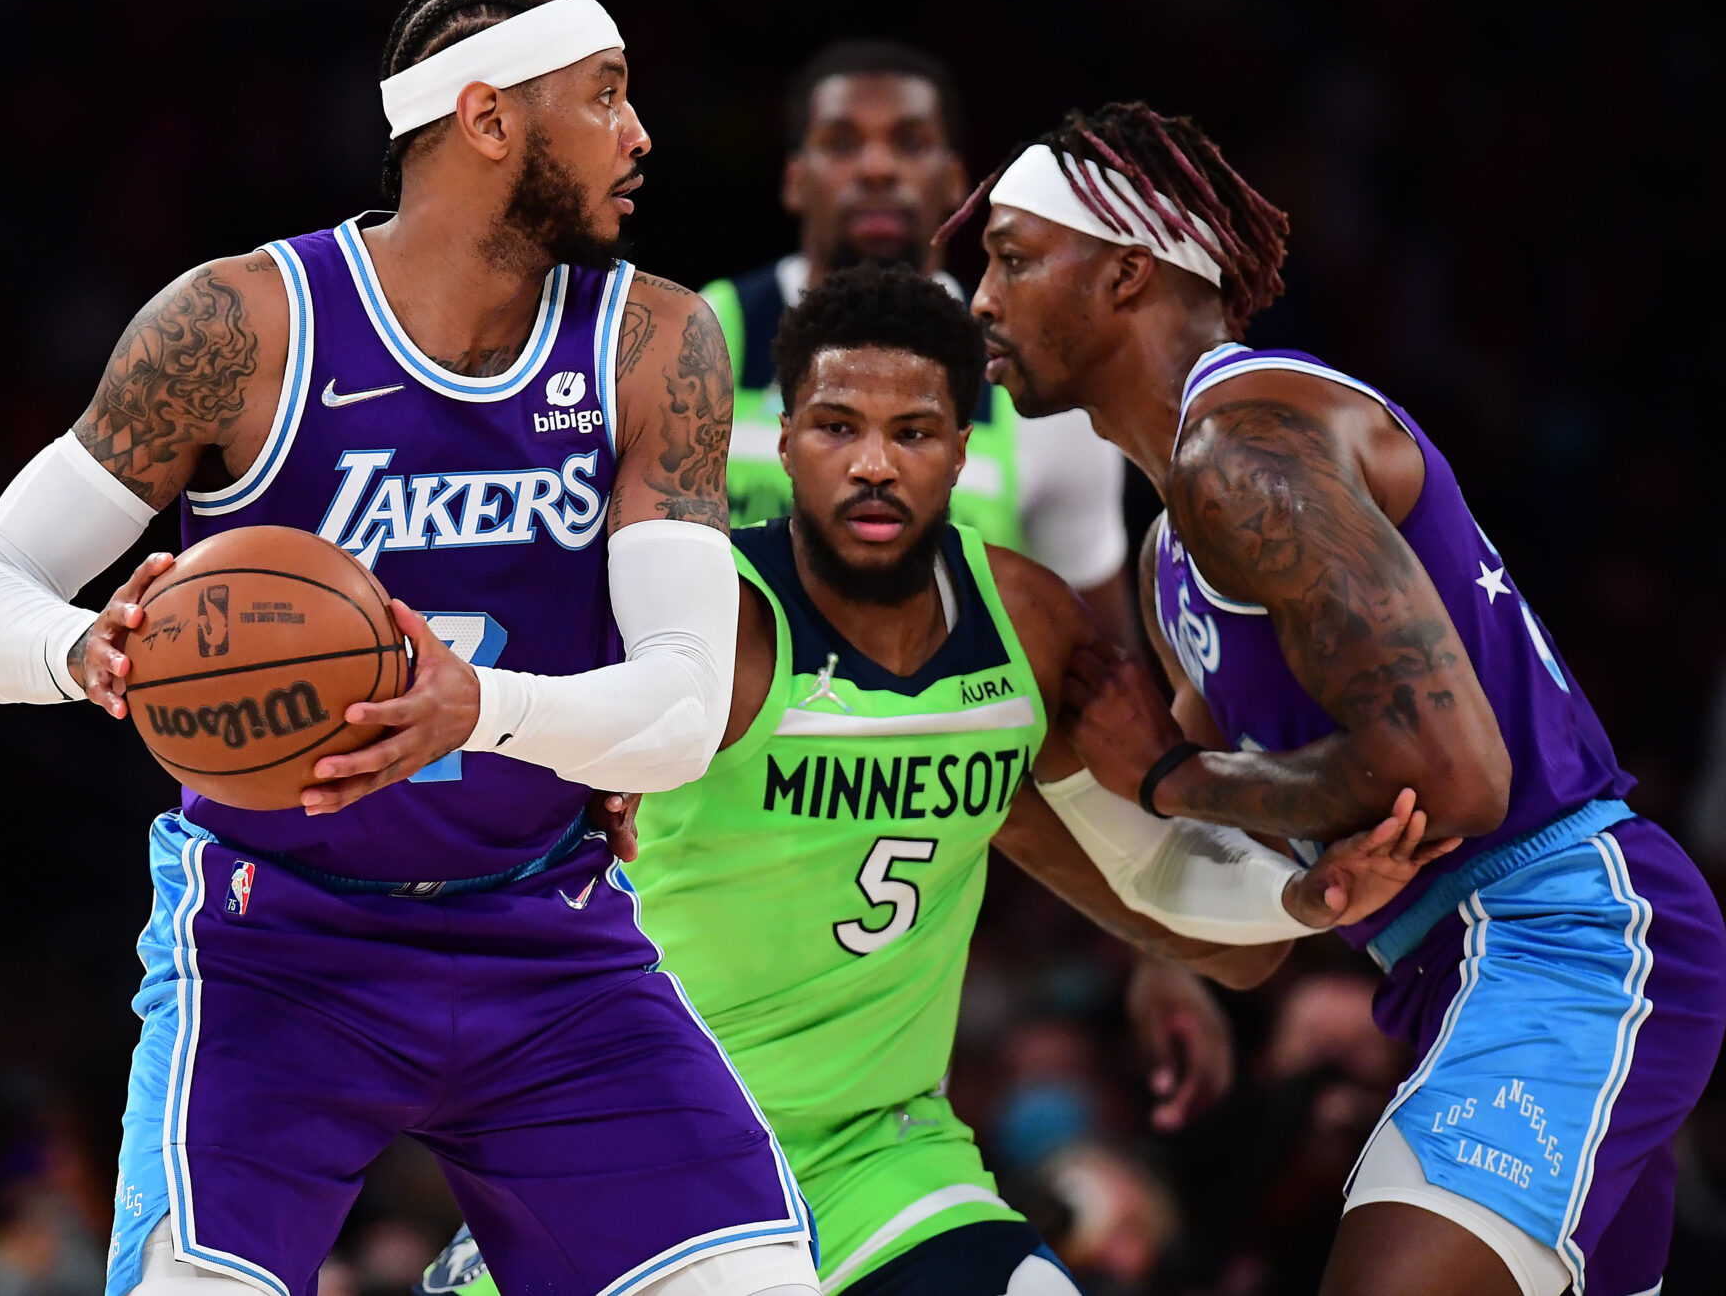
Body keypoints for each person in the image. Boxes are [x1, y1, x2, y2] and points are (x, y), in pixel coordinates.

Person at [0, 0, 823, 1296]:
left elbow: (683, 711)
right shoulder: (239, 327)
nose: (639, 136)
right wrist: (82, 651)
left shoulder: (654, 341)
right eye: (604, 97)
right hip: (276, 947)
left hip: (548, 940)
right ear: (487, 117)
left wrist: (483, 708)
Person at [421, 265, 1453, 1296]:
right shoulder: (705, 619)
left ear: (961, 450)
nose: (872, 464)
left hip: (877, 1157)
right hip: (651, 1149)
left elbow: (1150, 874)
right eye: (836, 427)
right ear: (784, 439)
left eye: (911, 432)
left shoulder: (1027, 625)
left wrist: (1301, 893)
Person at [953, 101, 1726, 1296]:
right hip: (1446, 972)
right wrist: (1023, 812)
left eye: (1011, 258)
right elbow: (1244, 922)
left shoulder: (1243, 447)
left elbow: (1453, 778)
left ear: (1122, 271)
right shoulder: (1169, 558)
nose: (979, 302)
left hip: (1558, 935)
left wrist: (1170, 776)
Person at [701, 41, 1137, 647]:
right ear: (795, 181)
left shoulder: (1037, 376)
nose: (877, 169)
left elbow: (1099, 656)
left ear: (956, 181)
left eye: (910, 144)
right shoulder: (702, 336)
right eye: (842, 144)